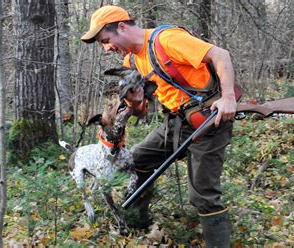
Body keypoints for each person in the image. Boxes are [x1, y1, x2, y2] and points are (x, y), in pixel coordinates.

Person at [81, 5, 237, 247]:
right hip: (175, 122)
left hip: (209, 119)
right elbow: (144, 109)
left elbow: (220, 55)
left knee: (203, 195)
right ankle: (137, 223)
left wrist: (228, 98)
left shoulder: (166, 40)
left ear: (122, 27)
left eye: (106, 40)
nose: (107, 48)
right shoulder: (131, 60)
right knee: (137, 160)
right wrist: (134, 105)